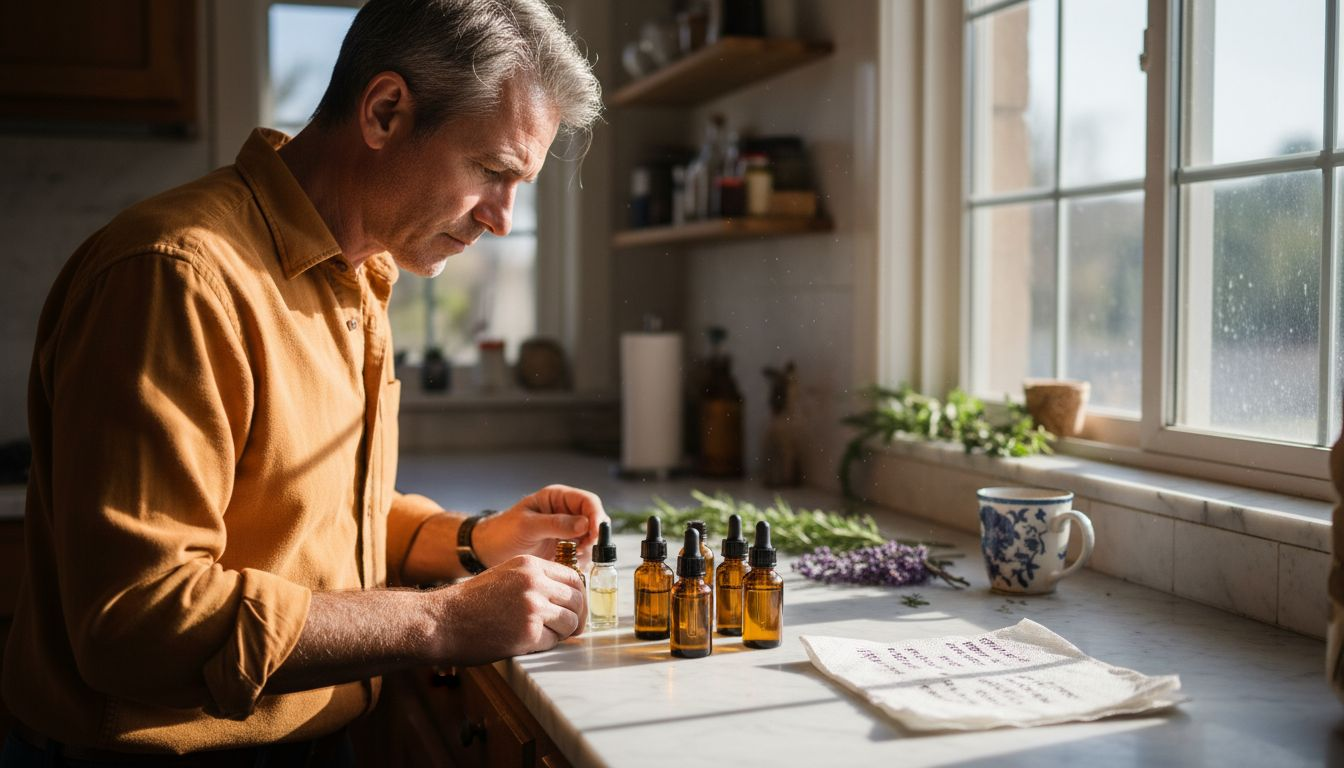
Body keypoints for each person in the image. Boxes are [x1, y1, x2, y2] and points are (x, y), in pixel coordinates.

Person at [0, 0, 604, 763]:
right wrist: (441, 621)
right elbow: (136, 622)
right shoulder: (175, 279)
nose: (503, 220)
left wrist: (471, 539)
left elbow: (306, 519)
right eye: (491, 171)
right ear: (385, 111)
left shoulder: (359, 273)